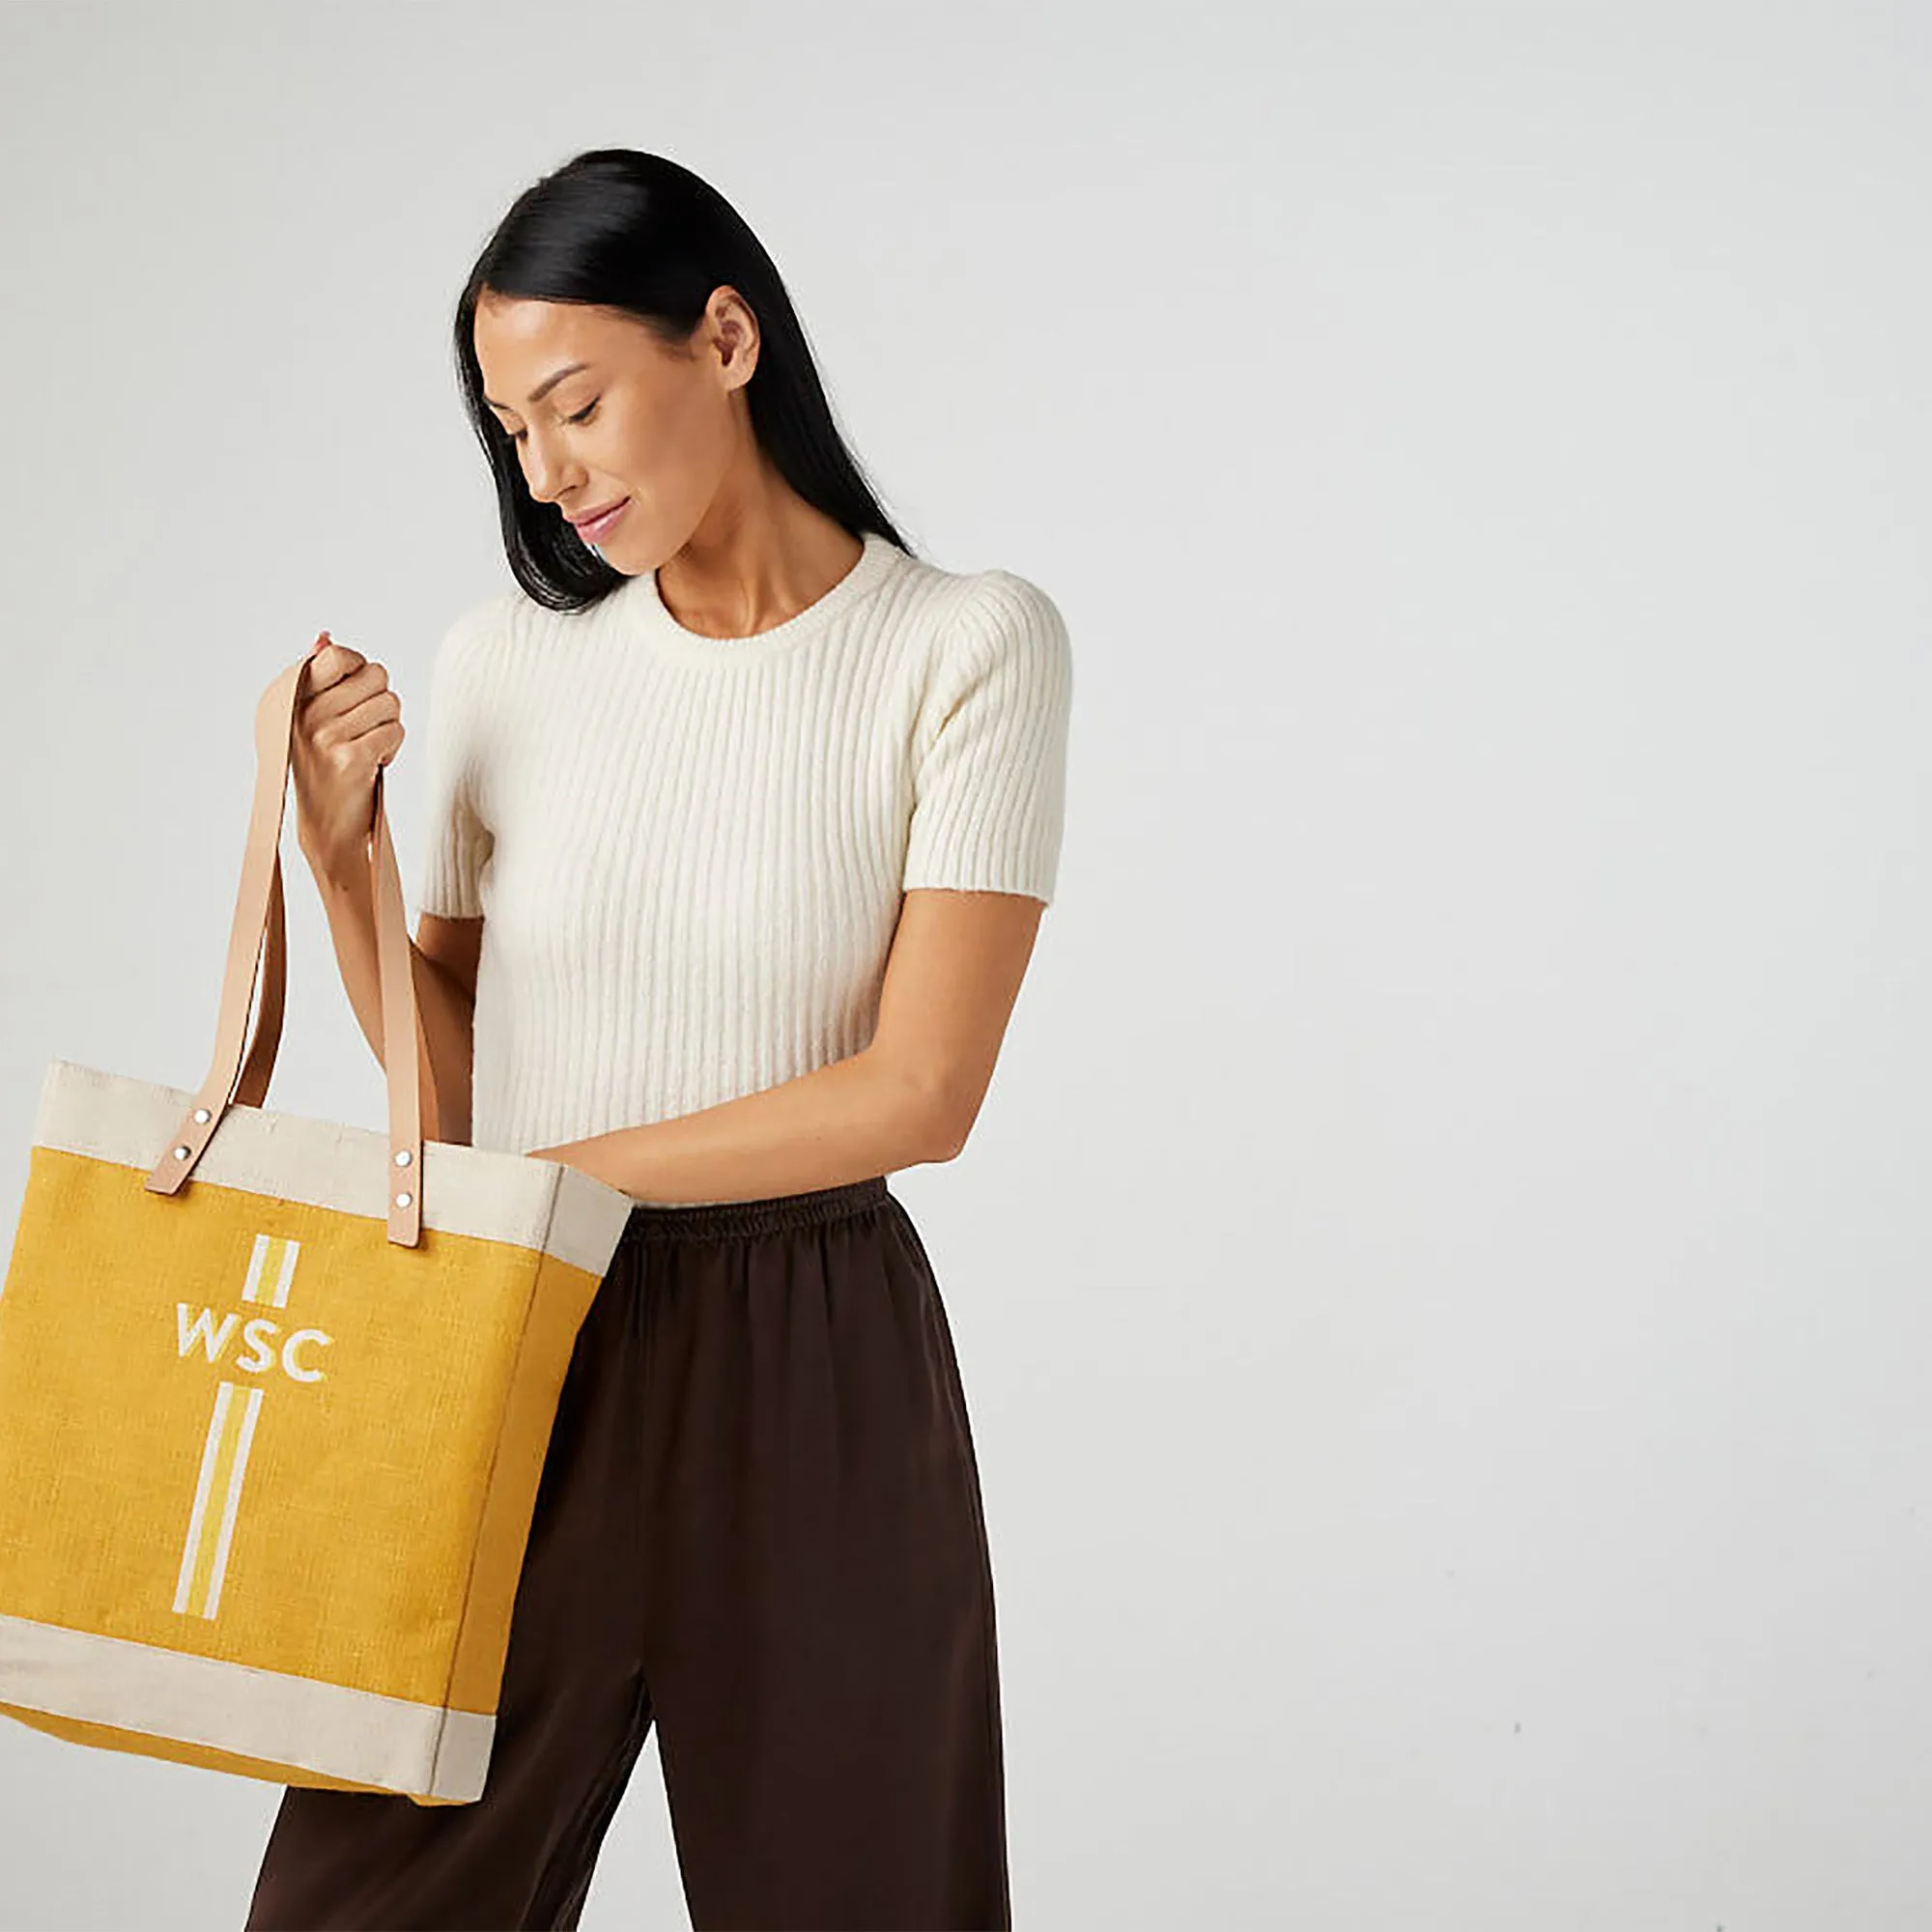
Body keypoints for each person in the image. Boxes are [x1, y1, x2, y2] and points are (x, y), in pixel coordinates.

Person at [241, 148, 1071, 1931]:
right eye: (509, 428)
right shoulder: (508, 670)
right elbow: (445, 1085)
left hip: (809, 1353)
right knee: (361, 1895)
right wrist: (339, 862)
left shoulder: (966, 648)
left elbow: (923, 1093)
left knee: (860, 1897)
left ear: (725, 334)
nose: (546, 473)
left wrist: (563, 1180)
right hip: (513, 1329)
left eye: (575, 404)